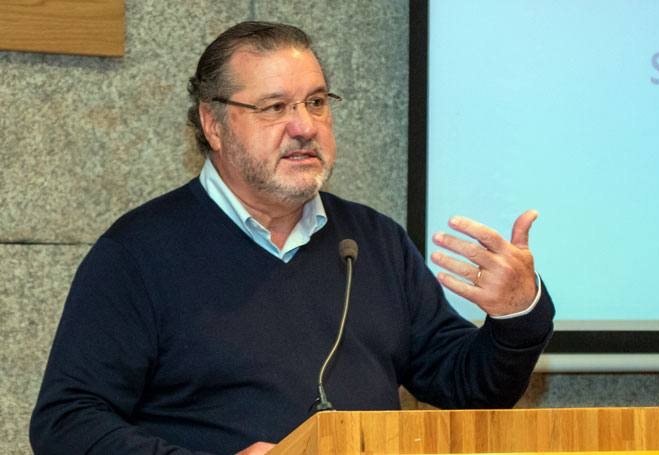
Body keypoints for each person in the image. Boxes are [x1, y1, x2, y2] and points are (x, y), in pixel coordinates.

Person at [29, 22, 554, 455]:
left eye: (317, 102)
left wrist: (516, 314)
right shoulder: (138, 253)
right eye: (276, 107)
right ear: (214, 124)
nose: (304, 125)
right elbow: (67, 423)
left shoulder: (372, 241)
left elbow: (466, 388)